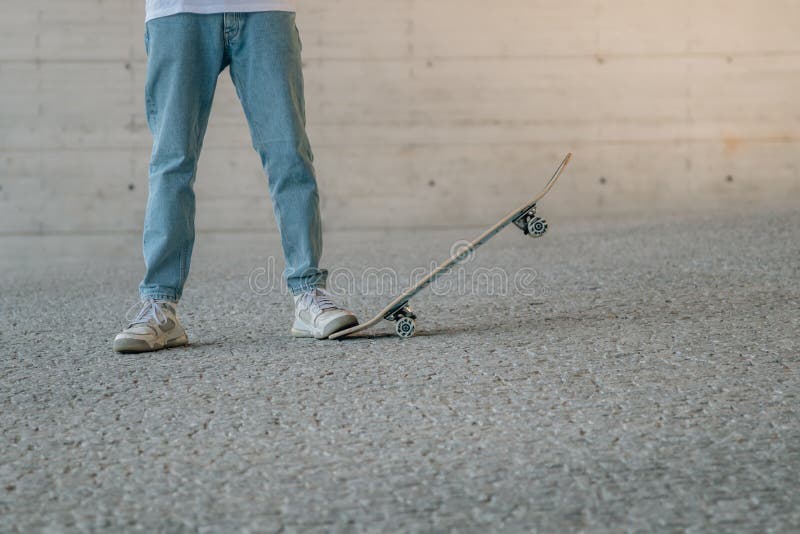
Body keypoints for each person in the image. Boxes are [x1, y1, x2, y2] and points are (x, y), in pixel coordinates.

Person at [114, 1, 358, 352]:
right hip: (178, 11)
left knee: (288, 152)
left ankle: (308, 294)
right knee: (172, 160)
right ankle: (159, 305)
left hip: (265, 8)